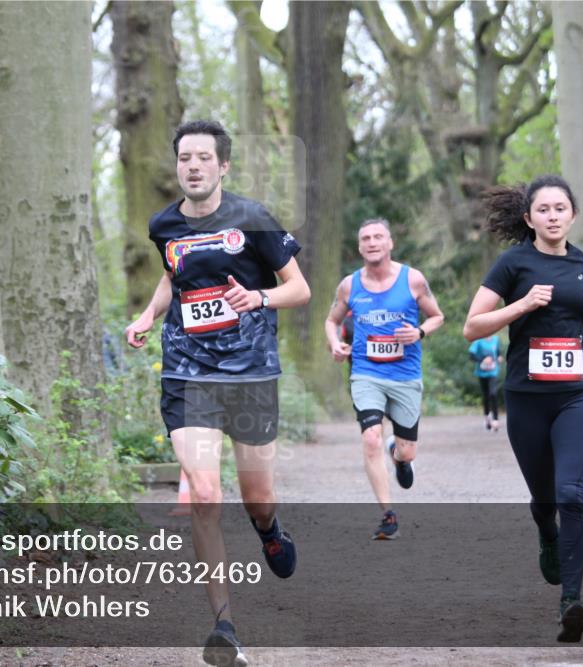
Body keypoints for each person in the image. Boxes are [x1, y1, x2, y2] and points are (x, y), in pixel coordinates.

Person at [124, 120, 310, 667]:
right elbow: (172, 275)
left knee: (257, 498)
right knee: (205, 494)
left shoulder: (252, 220)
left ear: (223, 166)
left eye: (205, 157)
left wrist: (258, 298)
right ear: (177, 165)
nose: (194, 166)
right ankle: (224, 627)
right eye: (185, 158)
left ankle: (269, 530)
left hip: (250, 373)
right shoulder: (164, 225)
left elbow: (298, 288)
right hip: (188, 373)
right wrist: (147, 313)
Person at [462, 175, 583, 643]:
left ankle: (570, 602)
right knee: (544, 500)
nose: (553, 216)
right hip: (528, 398)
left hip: (578, 393)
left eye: (561, 208)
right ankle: (546, 533)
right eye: (544, 210)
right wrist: (521, 306)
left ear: (572, 214)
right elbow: (472, 327)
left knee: (571, 492)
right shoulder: (513, 263)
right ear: (528, 217)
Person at [324, 218, 444, 540]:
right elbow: (331, 321)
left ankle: (400, 456)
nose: (372, 242)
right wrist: (335, 343)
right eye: (366, 238)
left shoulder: (413, 280)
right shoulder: (349, 285)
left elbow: (437, 316)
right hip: (366, 373)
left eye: (378, 237)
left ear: (390, 243)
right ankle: (388, 515)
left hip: (405, 375)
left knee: (407, 451)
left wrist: (418, 332)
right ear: (360, 246)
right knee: (370, 438)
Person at [468, 335, 503, 431]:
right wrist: (482, 360)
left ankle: (495, 419)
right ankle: (487, 418)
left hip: (493, 372)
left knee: (493, 393)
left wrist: (499, 357)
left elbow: (498, 351)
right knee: (486, 396)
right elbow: (471, 355)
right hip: (482, 373)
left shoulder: (496, 339)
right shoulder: (478, 340)